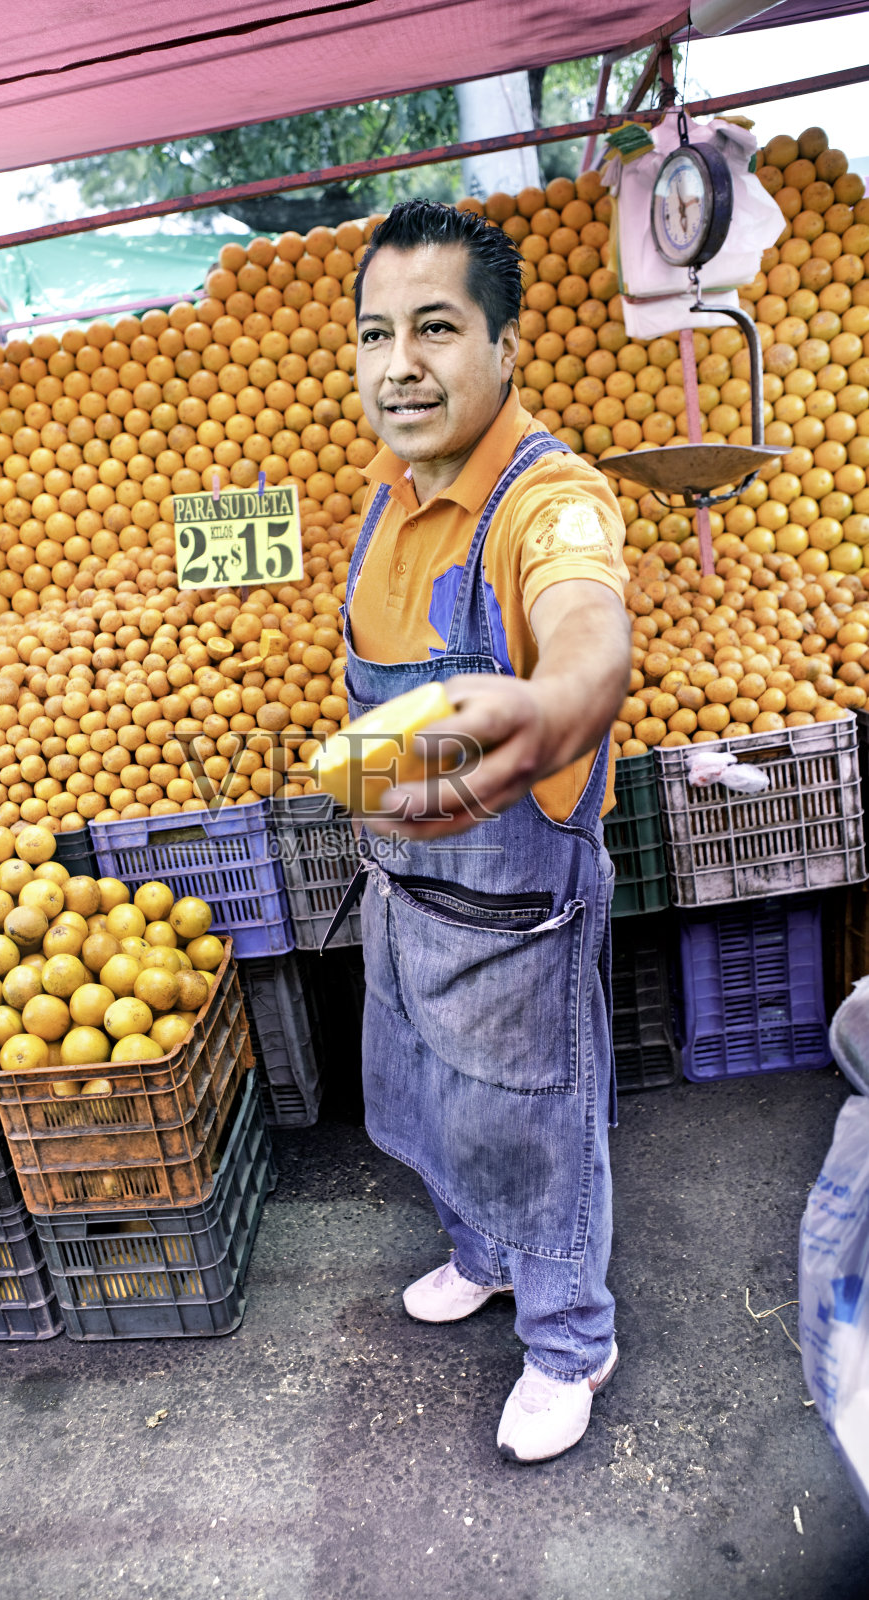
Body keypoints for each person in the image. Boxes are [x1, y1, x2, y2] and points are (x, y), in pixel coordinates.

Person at [344, 199, 632, 1463]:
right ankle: (484, 1255)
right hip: (405, 885)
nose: (399, 364)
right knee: (431, 1094)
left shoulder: (547, 499)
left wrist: (556, 705)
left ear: (505, 347)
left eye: (435, 328)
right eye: (375, 334)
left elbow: (584, 625)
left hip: (512, 906)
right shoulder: (386, 495)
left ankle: (570, 1339)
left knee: (534, 1121)